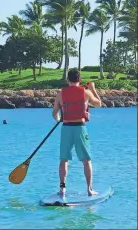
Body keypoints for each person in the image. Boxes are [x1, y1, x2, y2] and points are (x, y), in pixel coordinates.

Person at [52, 68, 102, 197]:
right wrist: (93, 89)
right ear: (80, 80)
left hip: (66, 128)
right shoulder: (86, 93)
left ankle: (62, 189)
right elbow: (99, 104)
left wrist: (60, 119)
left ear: (68, 79)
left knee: (64, 160)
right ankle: (89, 190)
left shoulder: (60, 94)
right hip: (80, 128)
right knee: (86, 160)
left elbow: (54, 114)